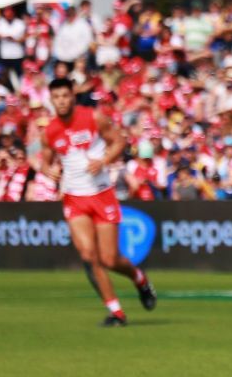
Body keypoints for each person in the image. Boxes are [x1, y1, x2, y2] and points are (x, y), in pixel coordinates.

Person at [40, 78, 157, 326]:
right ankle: (116, 312)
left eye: (65, 95)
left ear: (72, 97)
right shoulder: (49, 130)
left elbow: (119, 141)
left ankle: (140, 279)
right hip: (74, 198)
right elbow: (45, 158)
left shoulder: (94, 118)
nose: (61, 101)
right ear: (51, 100)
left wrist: (103, 161)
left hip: (101, 193)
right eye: (56, 97)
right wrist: (47, 169)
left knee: (110, 259)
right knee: (88, 255)